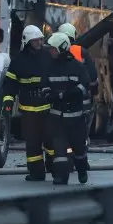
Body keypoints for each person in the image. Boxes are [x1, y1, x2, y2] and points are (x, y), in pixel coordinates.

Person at [1, 25, 54, 182]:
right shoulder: (19, 61)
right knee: (32, 144)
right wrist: (7, 102)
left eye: (40, 40)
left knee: (51, 141)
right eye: (35, 41)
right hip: (28, 110)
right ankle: (36, 173)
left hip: (47, 108)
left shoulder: (48, 56)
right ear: (27, 41)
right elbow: (10, 83)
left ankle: (55, 166)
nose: (38, 43)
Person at [41, 32, 92, 185]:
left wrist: (70, 94)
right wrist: (49, 95)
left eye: (53, 49)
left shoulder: (77, 67)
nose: (51, 52)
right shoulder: (49, 67)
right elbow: (44, 86)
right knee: (59, 150)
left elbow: (85, 85)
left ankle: (82, 171)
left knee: (79, 149)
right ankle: (61, 177)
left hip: (76, 118)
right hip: (57, 117)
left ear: (62, 48)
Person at [56, 22, 99, 136]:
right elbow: (93, 75)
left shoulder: (53, 51)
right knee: (81, 126)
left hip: (58, 98)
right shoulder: (80, 51)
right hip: (80, 97)